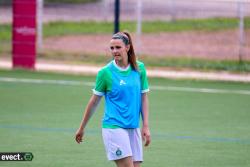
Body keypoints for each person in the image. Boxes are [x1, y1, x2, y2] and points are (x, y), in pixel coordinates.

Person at [75, 31, 151, 167]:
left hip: (133, 128)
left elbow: (143, 98)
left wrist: (145, 125)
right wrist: (82, 127)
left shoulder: (140, 68)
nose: (114, 51)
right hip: (114, 127)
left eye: (118, 47)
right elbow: (94, 102)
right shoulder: (105, 73)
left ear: (127, 48)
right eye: (112, 48)